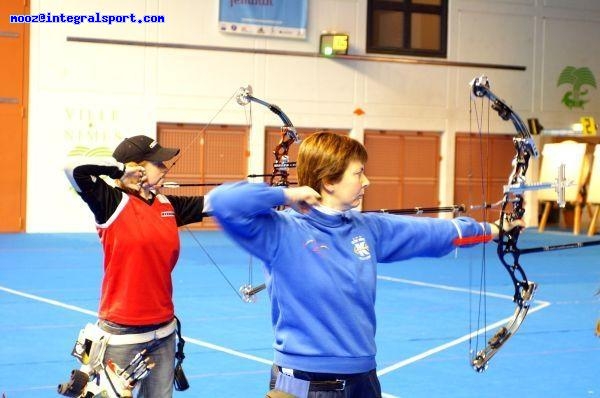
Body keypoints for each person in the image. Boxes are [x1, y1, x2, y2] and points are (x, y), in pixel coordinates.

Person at [210, 132, 514, 398]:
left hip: (363, 377)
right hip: (305, 382)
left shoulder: (367, 228)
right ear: (329, 180)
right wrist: (286, 194)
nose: (366, 181)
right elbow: (221, 201)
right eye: (358, 173)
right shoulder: (282, 230)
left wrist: (493, 230)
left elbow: (435, 234)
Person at [64, 135, 208, 398]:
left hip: (164, 333)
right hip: (122, 335)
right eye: (159, 164)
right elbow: (72, 168)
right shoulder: (110, 202)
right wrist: (120, 171)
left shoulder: (167, 205)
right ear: (137, 167)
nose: (166, 169)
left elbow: (218, 203)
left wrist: (281, 195)